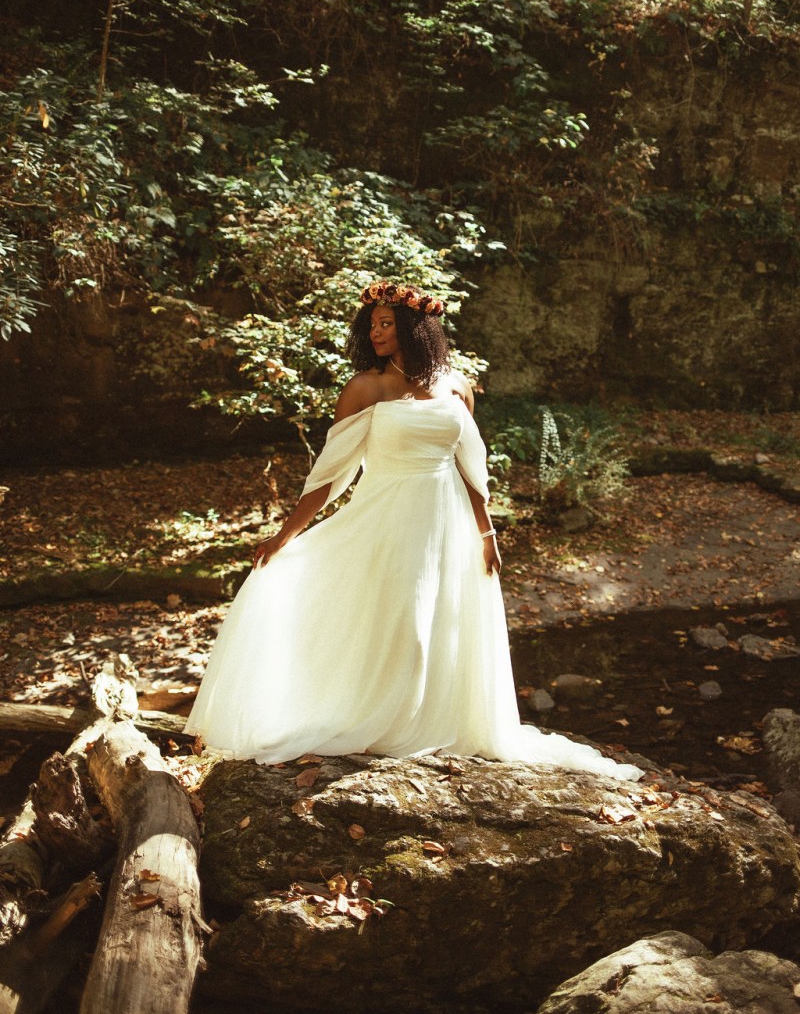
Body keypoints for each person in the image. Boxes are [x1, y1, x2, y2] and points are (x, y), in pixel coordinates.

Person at [186, 281, 641, 782]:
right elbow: (330, 474)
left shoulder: (456, 386)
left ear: (414, 329)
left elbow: (469, 466)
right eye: (372, 325)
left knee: (441, 616)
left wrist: (487, 533)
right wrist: (284, 535)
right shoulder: (366, 388)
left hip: (446, 518)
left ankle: (434, 721)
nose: (377, 333)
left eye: (387, 324)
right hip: (386, 514)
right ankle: (382, 719)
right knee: (401, 615)